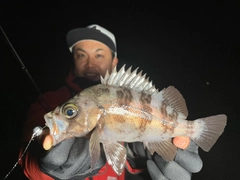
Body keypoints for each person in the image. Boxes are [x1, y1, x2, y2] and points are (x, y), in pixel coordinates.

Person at [19, 24, 203, 180]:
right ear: (73, 61)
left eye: (99, 55)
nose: (90, 63)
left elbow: (121, 160)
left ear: (114, 62)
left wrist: (139, 160)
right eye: (81, 55)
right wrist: (45, 166)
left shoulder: (109, 93)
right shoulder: (48, 101)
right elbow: (27, 160)